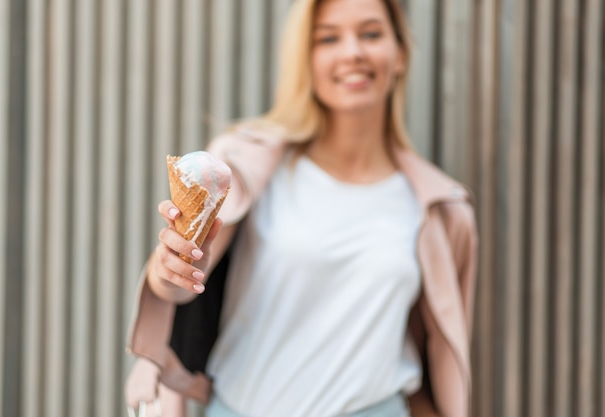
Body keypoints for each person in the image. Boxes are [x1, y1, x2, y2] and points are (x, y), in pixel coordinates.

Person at [125, 0, 478, 416]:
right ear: (305, 58)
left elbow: (435, 361)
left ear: (399, 53)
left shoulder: (441, 209)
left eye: (370, 33)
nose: (352, 53)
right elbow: (180, 285)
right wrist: (165, 270)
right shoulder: (244, 166)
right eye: (328, 38)